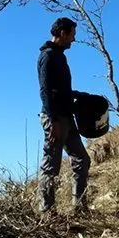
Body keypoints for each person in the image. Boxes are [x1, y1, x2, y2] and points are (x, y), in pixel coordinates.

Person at [37, 17, 91, 216]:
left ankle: (80, 208)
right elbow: (45, 91)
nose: (73, 40)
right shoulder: (48, 56)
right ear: (62, 33)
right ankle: (47, 214)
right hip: (56, 119)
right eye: (72, 35)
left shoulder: (60, 56)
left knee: (82, 160)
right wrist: (52, 121)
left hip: (67, 117)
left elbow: (60, 89)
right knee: (51, 166)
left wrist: (78, 95)